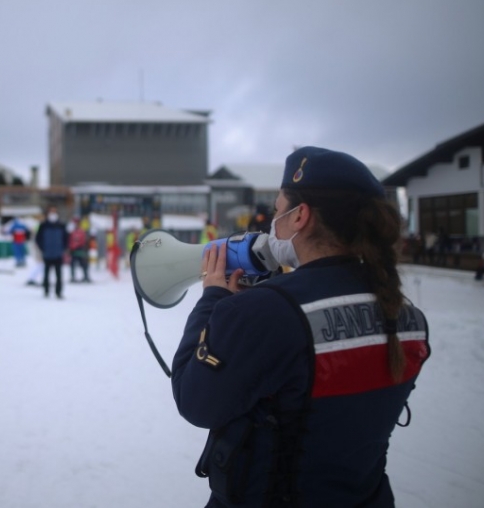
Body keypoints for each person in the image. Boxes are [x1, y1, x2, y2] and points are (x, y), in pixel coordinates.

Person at [171, 147, 431, 507]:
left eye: (278, 210)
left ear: (300, 216)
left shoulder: (265, 311)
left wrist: (213, 300)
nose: (271, 223)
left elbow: (195, 401)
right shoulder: (407, 315)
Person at [35, 206, 69, 299]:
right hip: (47, 254)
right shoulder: (43, 225)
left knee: (59, 275)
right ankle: (46, 291)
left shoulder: (61, 225)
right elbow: (38, 239)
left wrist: (63, 249)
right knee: (46, 274)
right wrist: (43, 249)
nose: (53, 214)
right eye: (51, 212)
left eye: (54, 212)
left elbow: (66, 238)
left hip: (58, 254)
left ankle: (58, 292)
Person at [68, 217, 90, 282]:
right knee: (72, 264)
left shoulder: (81, 231)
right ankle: (73, 277)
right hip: (73, 250)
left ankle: (85, 276)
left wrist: (82, 246)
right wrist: (70, 248)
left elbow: (83, 240)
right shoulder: (71, 231)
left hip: (80, 249)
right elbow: (70, 240)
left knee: (83, 263)